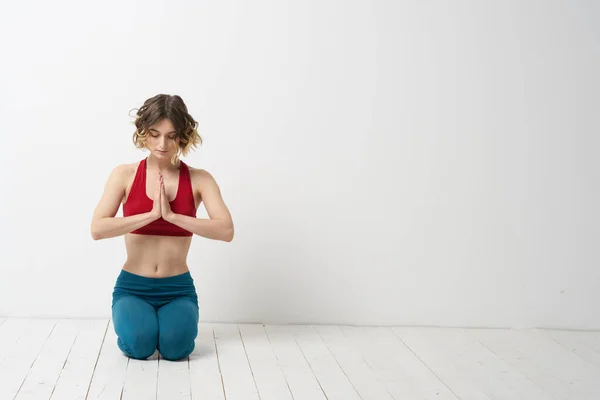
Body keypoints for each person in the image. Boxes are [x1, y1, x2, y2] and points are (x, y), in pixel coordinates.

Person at [90, 94, 234, 361]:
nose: (162, 144)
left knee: (176, 349)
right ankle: (142, 325)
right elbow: (97, 228)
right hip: (133, 287)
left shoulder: (200, 179)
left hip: (177, 289)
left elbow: (226, 231)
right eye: (155, 134)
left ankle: (165, 326)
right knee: (140, 346)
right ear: (143, 133)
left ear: (183, 136)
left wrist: (173, 217)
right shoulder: (124, 175)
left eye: (171, 135)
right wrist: (150, 215)